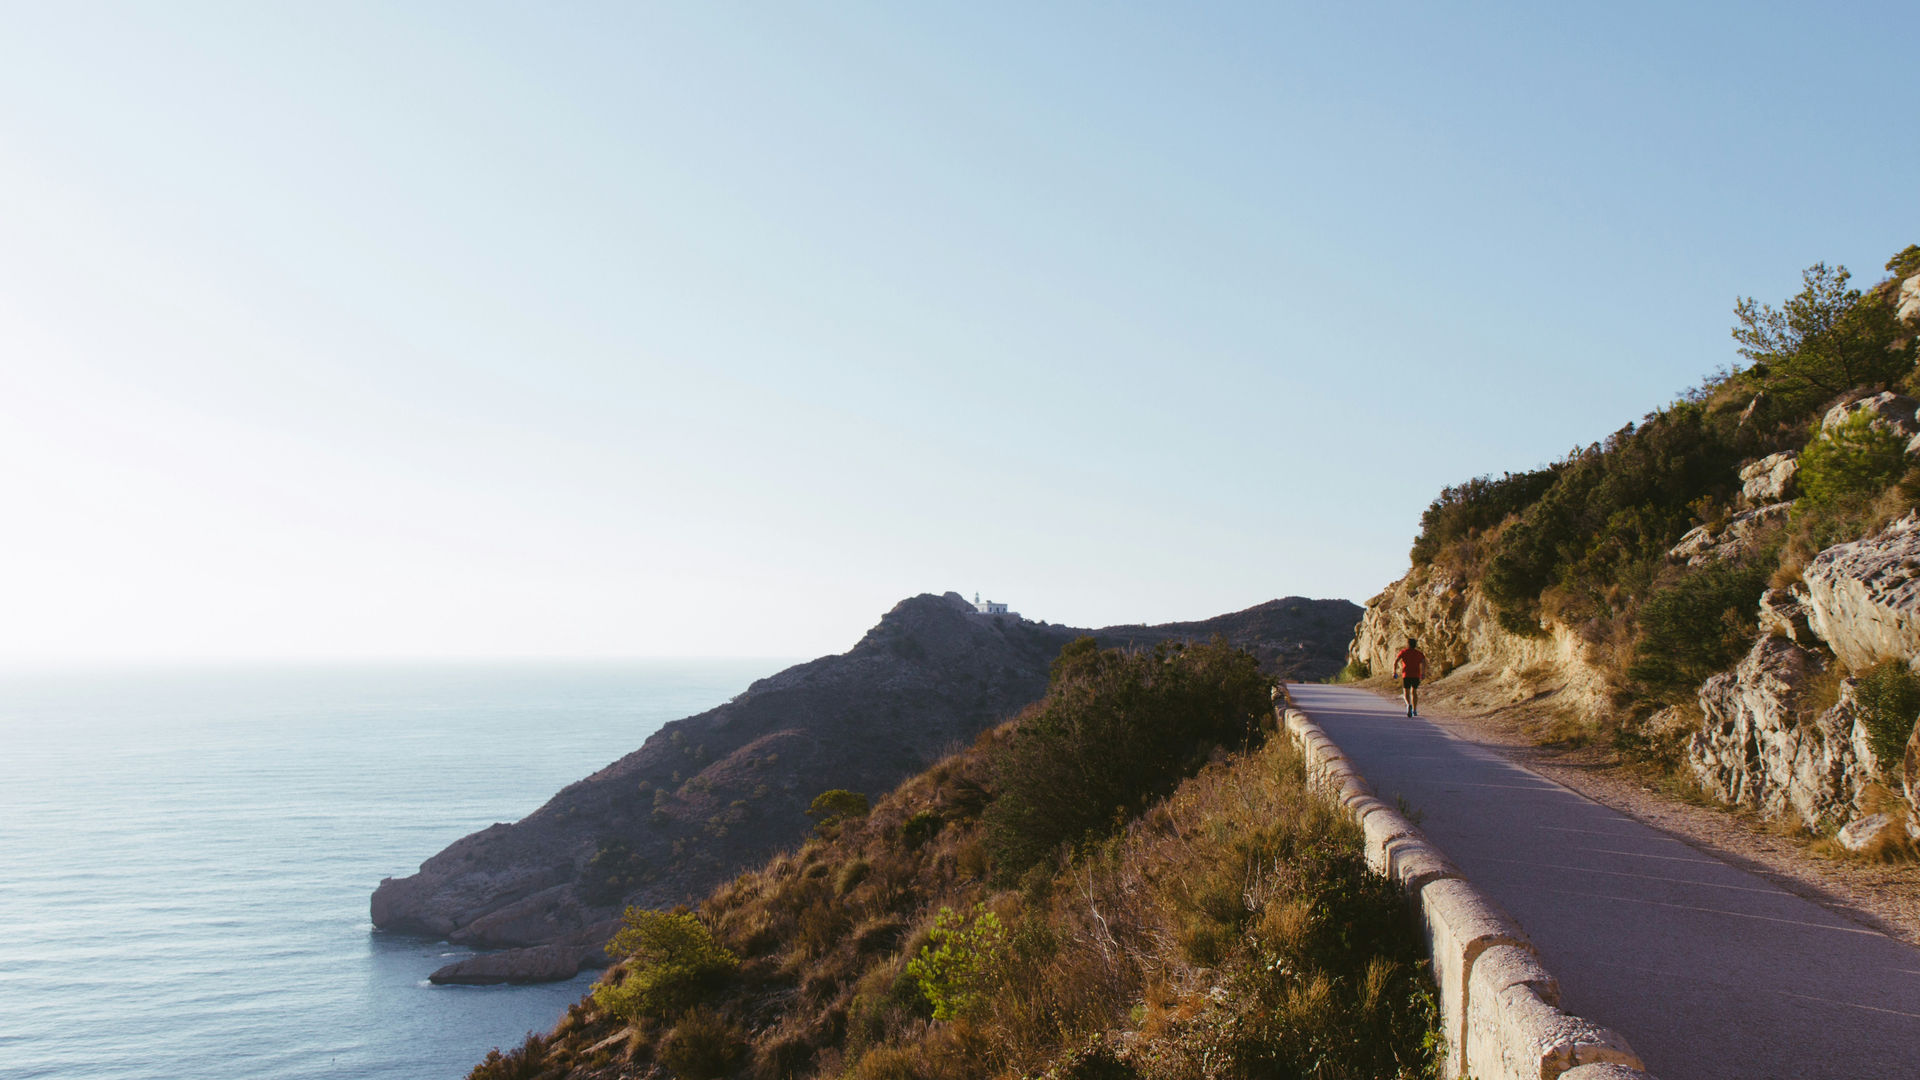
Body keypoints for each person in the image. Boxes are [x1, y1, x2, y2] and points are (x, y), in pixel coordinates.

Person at [1393, 638, 1427, 717]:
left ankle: (1408, 704)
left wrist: (1394, 671)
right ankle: (1414, 710)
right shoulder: (1419, 653)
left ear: (1408, 644)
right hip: (1416, 674)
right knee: (1414, 692)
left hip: (1406, 674)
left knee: (1406, 691)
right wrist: (1423, 673)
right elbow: (1424, 662)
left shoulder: (1403, 652)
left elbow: (1396, 661)